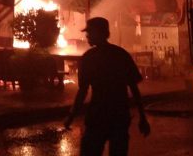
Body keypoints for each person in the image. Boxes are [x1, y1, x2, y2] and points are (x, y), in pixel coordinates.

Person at [63, 17, 150, 156]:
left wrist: (71, 116)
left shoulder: (88, 58)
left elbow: (82, 91)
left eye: (90, 32)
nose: (87, 36)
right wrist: (142, 117)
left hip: (98, 116)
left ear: (99, 33)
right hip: (119, 116)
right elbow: (134, 89)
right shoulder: (121, 54)